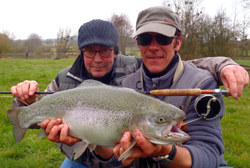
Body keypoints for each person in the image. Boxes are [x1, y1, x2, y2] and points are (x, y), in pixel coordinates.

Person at [11, 19, 249, 168]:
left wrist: (224, 64)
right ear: (81, 52)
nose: (97, 59)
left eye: (104, 51)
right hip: (81, 158)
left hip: (109, 154)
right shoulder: (64, 80)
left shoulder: (132, 69)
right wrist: (24, 99)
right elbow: (36, 114)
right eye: (90, 51)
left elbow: (178, 63)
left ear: (115, 52)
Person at [112, 6, 244, 168]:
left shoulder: (201, 84)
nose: (153, 47)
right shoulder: (126, 85)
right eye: (145, 39)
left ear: (177, 42)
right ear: (138, 44)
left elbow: (210, 156)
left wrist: (165, 151)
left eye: (163, 38)